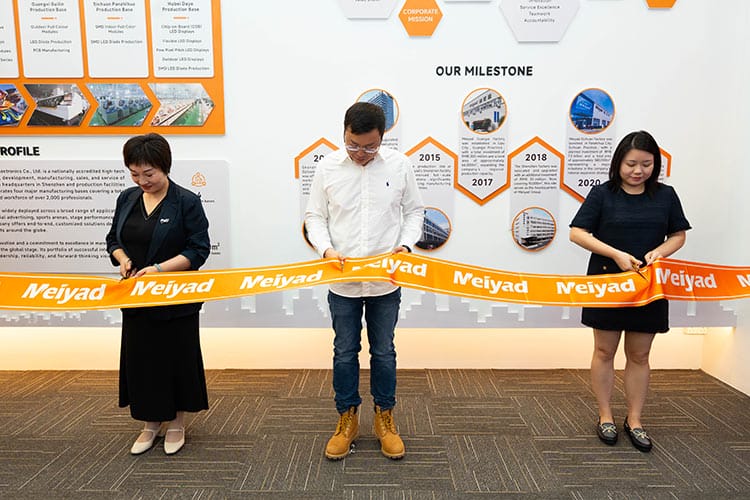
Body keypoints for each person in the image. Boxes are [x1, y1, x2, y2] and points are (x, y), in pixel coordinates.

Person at [304, 102, 424, 460]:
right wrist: (326, 249)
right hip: (343, 281)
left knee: (384, 351)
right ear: (344, 133)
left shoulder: (400, 165)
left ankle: (385, 418)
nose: (360, 153)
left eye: (369, 147)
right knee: (344, 351)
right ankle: (347, 418)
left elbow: (414, 212)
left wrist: (405, 246)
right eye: (353, 145)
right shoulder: (327, 167)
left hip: (385, 281)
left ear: (382, 138)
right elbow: (315, 216)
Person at [569, 130, 691, 452]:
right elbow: (577, 233)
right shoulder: (602, 194)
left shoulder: (666, 196)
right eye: (631, 164)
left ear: (656, 164)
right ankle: (605, 415)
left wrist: (660, 252)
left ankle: (634, 419)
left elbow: (678, 235)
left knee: (640, 355)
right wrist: (615, 254)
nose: (638, 171)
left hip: (648, 286)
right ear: (618, 163)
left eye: (646, 165)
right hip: (607, 282)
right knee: (604, 351)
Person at [105, 133, 211, 455]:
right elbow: (113, 240)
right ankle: (150, 423)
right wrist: (123, 260)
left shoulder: (186, 201)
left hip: (175, 299)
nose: (142, 181)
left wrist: (159, 269)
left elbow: (198, 250)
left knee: (175, 360)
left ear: (165, 167)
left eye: (148, 173)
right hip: (137, 298)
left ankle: (176, 423)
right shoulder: (127, 198)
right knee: (143, 361)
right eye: (134, 174)